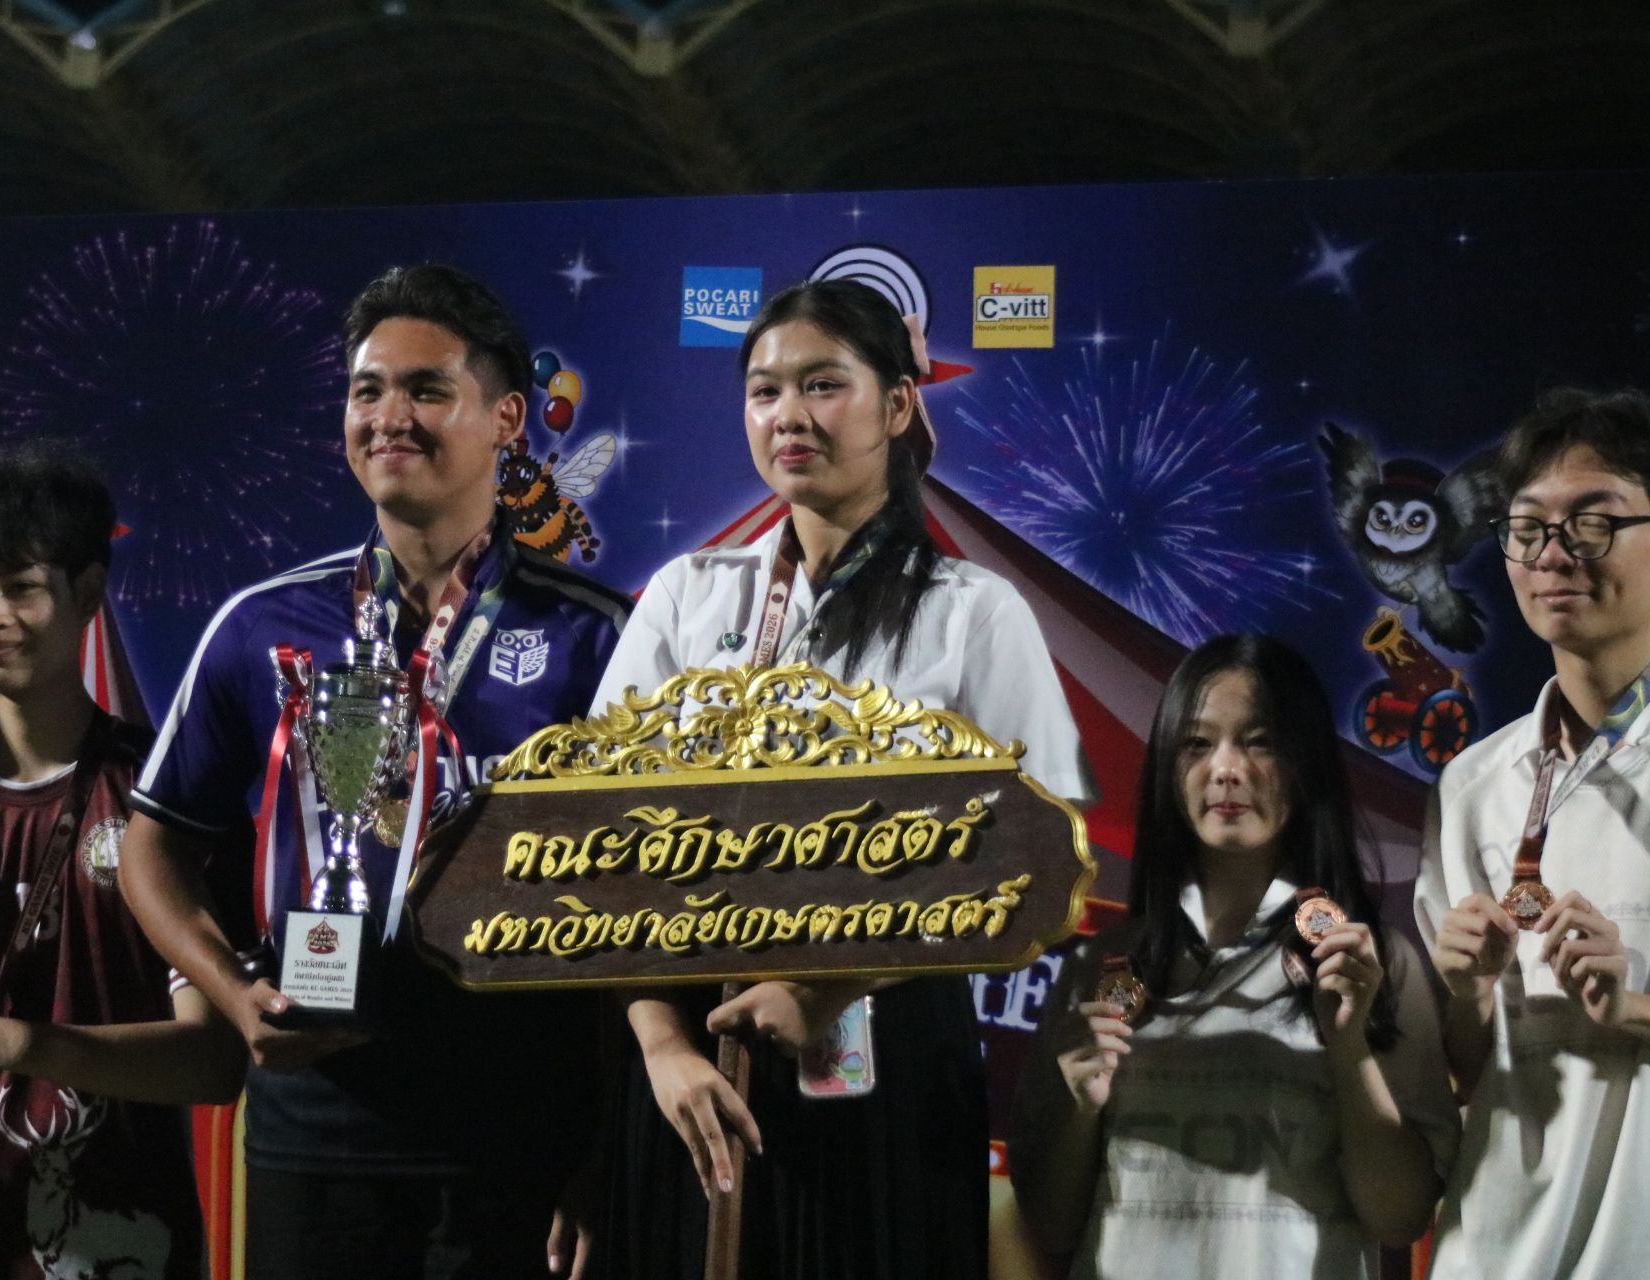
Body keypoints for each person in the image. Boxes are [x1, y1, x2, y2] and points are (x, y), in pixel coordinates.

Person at [118, 262, 629, 1280]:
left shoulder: (598, 636)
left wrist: (610, 1139)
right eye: (367, 391)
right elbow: (153, 846)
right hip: (317, 1125)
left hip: (524, 1127)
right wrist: (234, 992)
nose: (390, 416)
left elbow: (642, 905)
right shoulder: (261, 626)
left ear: (507, 418)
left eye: (427, 389)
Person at [590, 277, 1092, 1280]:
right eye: (765, 390)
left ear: (898, 404)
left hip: (891, 1058)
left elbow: (1045, 858)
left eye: (823, 384)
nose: (790, 414)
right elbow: (593, 848)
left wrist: (830, 986)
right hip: (688, 1064)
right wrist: (659, 1045)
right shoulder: (687, 597)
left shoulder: (971, 612)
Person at [0, 442, 247, 1280]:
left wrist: (5, 1042)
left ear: (88, 593)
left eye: (20, 587)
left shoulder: (168, 805)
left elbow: (213, 1059)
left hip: (131, 1249)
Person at [1010, 634, 1458, 1278]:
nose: (1225, 768)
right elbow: (1050, 1227)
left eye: (1260, 741)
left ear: (1305, 763)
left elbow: (1401, 1218)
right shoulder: (1102, 968)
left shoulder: (1372, 966)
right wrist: (1079, 1108)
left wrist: (1350, 1049)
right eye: (1197, 743)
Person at [1417, 387, 1650, 1278]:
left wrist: (1632, 1008)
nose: (1554, 554)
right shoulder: (1472, 785)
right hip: (1498, 1252)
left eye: (1593, 524)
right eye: (1527, 529)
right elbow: (1465, 1074)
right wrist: (1468, 995)